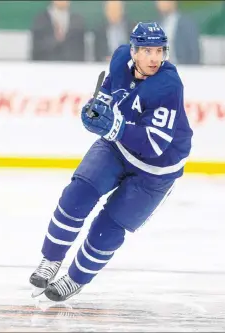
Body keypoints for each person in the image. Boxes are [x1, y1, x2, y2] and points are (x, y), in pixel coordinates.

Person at [30, 22, 193, 302]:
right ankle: (50, 260)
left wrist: (114, 126)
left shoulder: (167, 84)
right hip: (117, 148)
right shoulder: (119, 59)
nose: (154, 58)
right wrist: (98, 110)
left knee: (109, 227)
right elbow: (108, 92)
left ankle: (75, 279)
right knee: (76, 196)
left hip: (155, 171)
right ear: (133, 50)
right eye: (147, 50)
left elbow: (154, 145)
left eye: (159, 51)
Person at [155, 0, 200, 65]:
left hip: (182, 69)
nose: (159, 3)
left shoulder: (186, 24)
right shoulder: (156, 24)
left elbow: (194, 52)